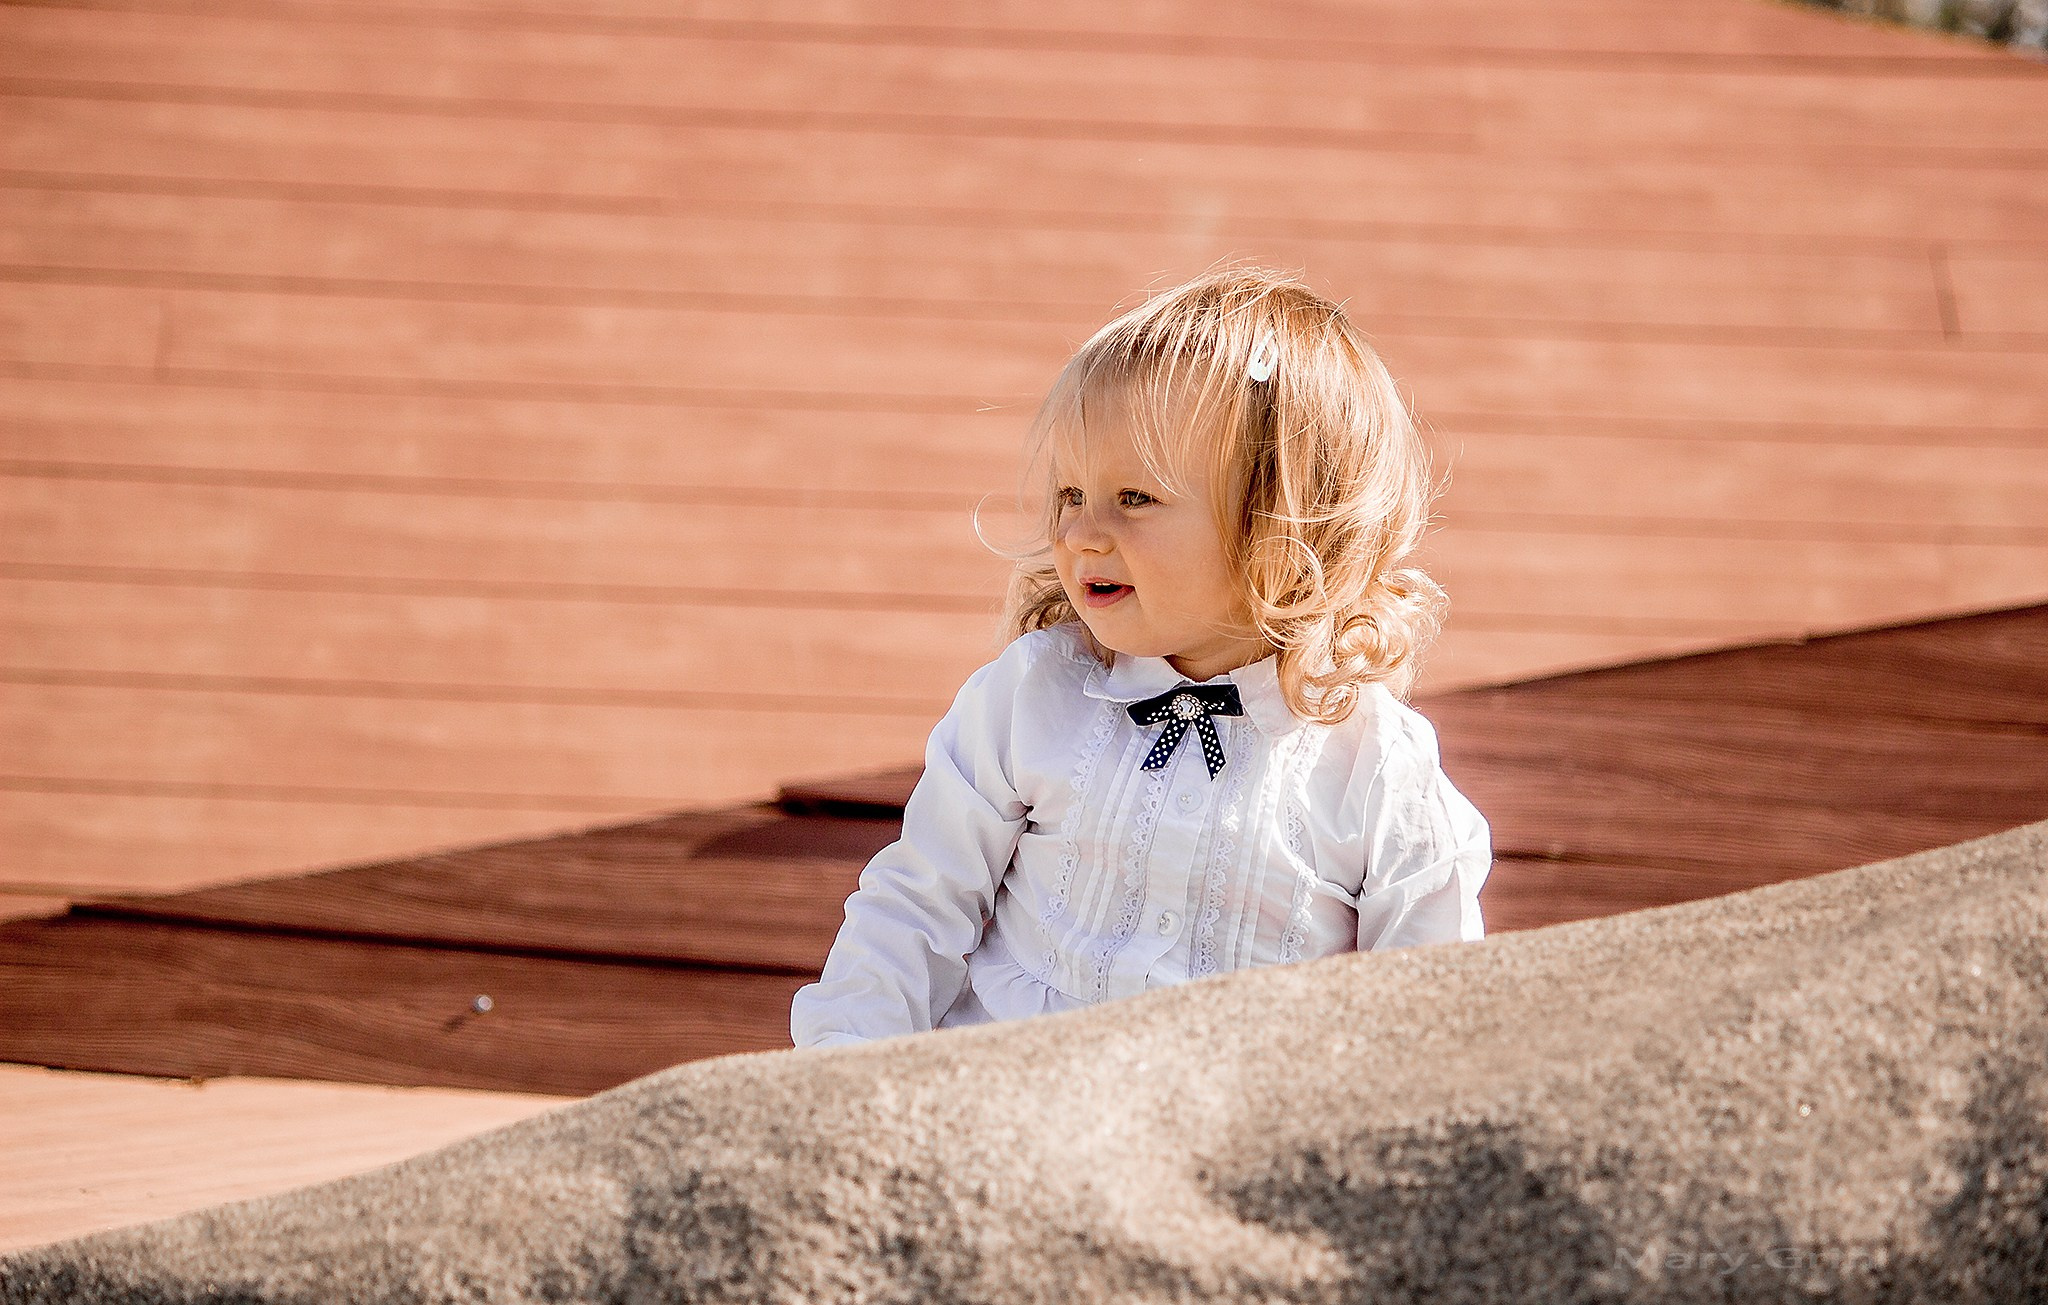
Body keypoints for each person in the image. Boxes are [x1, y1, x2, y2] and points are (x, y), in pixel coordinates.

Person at [790, 265, 1490, 1049]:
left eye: (1134, 499)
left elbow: (1428, 1004)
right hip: (1006, 1092)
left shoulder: (1375, 768)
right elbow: (916, 903)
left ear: (1279, 529)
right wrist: (840, 1062)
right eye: (1070, 494)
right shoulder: (1033, 698)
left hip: (1230, 1132)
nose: (1081, 533)